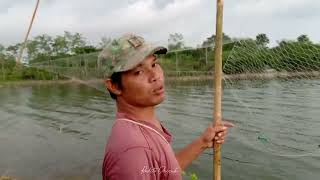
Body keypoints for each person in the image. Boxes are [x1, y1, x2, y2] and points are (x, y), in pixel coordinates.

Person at [100, 33, 234, 180]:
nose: (155, 76)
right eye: (138, 72)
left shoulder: (141, 127)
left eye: (154, 64)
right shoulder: (133, 151)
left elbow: (164, 172)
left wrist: (202, 142)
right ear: (113, 85)